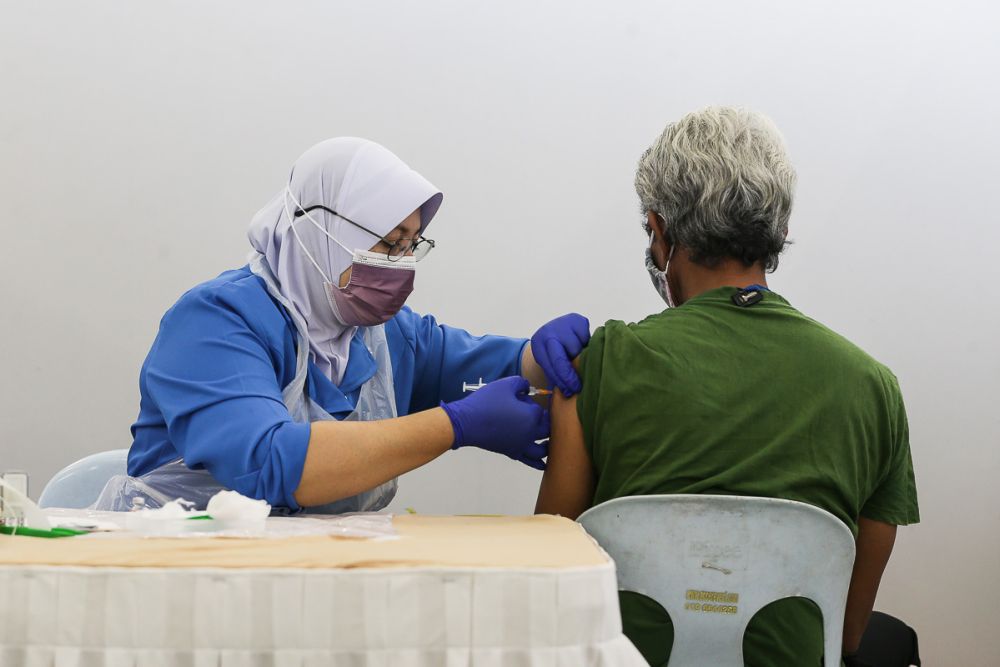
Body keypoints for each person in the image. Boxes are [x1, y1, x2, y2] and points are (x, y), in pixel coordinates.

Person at [535, 107, 920, 667]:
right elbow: (848, 633)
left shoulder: (600, 363)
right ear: (779, 231)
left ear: (660, 232)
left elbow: (549, 579)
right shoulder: (873, 387)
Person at [95, 137, 591, 514]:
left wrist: (543, 353)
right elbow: (272, 463)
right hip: (178, 571)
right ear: (322, 229)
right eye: (386, 242)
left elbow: (485, 365)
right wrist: (454, 426)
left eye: (410, 246)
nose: (400, 263)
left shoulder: (380, 333)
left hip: (310, 573)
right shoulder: (217, 322)